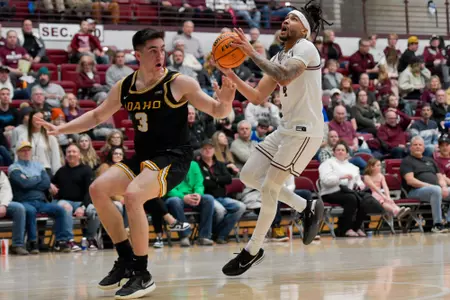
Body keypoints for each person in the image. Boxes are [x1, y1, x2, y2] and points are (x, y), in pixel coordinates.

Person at [35, 28, 236, 299]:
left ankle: (143, 274)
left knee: (133, 196)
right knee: (98, 190)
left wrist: (226, 101)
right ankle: (126, 259)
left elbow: (217, 110)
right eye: (153, 50)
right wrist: (61, 130)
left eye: (162, 49)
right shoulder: (125, 86)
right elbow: (96, 115)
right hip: (143, 157)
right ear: (137, 54)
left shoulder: (179, 83)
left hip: (173, 157)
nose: (160, 54)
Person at [219, 1, 328, 276]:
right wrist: (232, 76)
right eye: (285, 18)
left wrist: (250, 53)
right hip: (286, 127)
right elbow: (257, 97)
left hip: (306, 130)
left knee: (269, 188)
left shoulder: (305, 48)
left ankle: (251, 251)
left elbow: (284, 76)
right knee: (249, 175)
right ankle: (306, 206)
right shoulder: (280, 55)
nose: (285, 21)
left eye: (292, 19)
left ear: (303, 29)